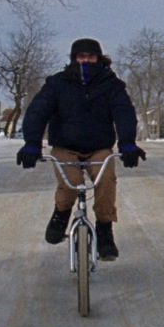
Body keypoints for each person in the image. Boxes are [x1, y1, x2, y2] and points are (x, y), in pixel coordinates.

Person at [16, 38, 146, 261]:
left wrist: (127, 142)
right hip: (66, 147)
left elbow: (123, 112)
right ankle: (61, 214)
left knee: (106, 180)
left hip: (99, 148)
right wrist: (32, 143)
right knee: (72, 183)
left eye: (91, 56)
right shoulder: (58, 83)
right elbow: (38, 111)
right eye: (81, 56)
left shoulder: (111, 85)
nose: (85, 61)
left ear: (99, 59)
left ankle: (104, 230)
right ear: (73, 58)